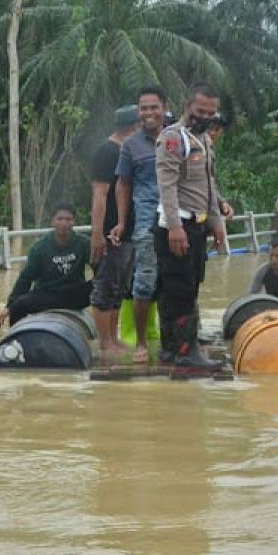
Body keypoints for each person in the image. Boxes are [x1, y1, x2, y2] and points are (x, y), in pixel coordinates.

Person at [154, 81, 226, 369]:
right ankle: (185, 351)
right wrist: (174, 227)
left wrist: (217, 222)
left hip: (197, 226)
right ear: (187, 107)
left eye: (211, 113)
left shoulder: (205, 141)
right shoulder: (173, 138)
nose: (205, 117)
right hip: (177, 226)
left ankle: (173, 350)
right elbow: (167, 185)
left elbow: (209, 185)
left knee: (187, 287)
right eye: (200, 111)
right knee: (179, 291)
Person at [111, 86, 167, 363]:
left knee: (181, 281)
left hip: (179, 220)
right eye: (143, 108)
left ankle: (178, 339)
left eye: (153, 107)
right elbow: (123, 185)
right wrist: (121, 222)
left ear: (164, 108)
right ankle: (142, 343)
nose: (149, 113)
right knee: (143, 282)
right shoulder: (130, 145)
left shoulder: (177, 138)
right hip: (146, 221)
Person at [88, 104, 140, 358]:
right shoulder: (107, 152)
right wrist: (97, 234)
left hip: (128, 232)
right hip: (110, 232)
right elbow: (99, 195)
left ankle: (114, 338)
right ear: (134, 127)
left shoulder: (126, 151)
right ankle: (105, 342)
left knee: (119, 287)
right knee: (105, 287)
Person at [0, 204, 92, 328]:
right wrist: (10, 306)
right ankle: (17, 338)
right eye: (60, 219)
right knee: (18, 306)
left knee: (105, 286)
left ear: (74, 222)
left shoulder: (84, 243)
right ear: (52, 221)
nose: (64, 223)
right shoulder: (40, 247)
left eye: (68, 219)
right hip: (48, 294)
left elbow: (100, 269)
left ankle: (107, 337)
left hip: (74, 294)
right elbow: (26, 277)